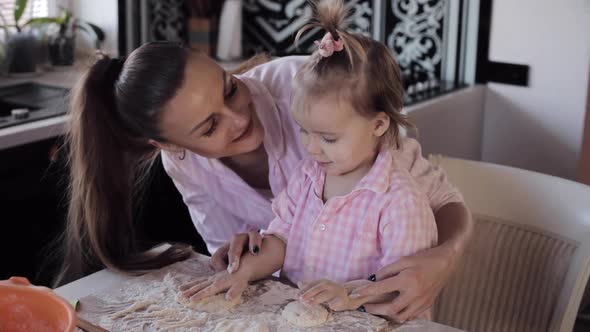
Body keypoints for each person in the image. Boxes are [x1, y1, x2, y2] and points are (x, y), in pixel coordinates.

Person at [61, 3, 472, 323]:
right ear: (168, 145)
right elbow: (274, 243)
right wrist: (242, 261)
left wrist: (445, 257)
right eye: (209, 128)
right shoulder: (300, 174)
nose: (240, 118)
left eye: (230, 88)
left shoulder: (319, 98)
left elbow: (435, 212)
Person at [179, 0, 439, 320]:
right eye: (305, 132)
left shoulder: (400, 202)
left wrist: (349, 294)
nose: (312, 149)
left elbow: (403, 285)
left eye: (328, 138)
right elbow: (280, 240)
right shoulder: (307, 178)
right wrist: (243, 271)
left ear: (379, 125)